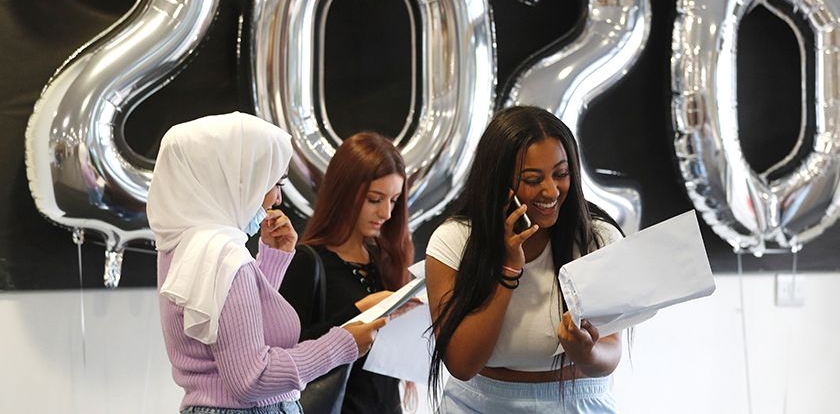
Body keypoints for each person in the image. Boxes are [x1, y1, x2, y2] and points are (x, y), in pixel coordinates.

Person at [148, 112, 386, 414]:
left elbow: (234, 331)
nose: (277, 199)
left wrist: (271, 262)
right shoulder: (221, 254)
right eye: (273, 181)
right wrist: (343, 344)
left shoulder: (186, 243)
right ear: (236, 178)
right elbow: (253, 379)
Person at [425, 106, 624, 413]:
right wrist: (507, 269)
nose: (551, 190)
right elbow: (462, 364)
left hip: (577, 400)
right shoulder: (454, 240)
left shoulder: (597, 238)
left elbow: (610, 352)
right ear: (497, 182)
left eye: (561, 174)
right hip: (479, 402)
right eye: (532, 179)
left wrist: (585, 353)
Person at [279, 132, 416, 414]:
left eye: (393, 200)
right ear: (344, 193)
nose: (387, 213)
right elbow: (287, 354)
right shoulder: (307, 262)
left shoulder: (386, 260)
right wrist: (359, 311)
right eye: (375, 199)